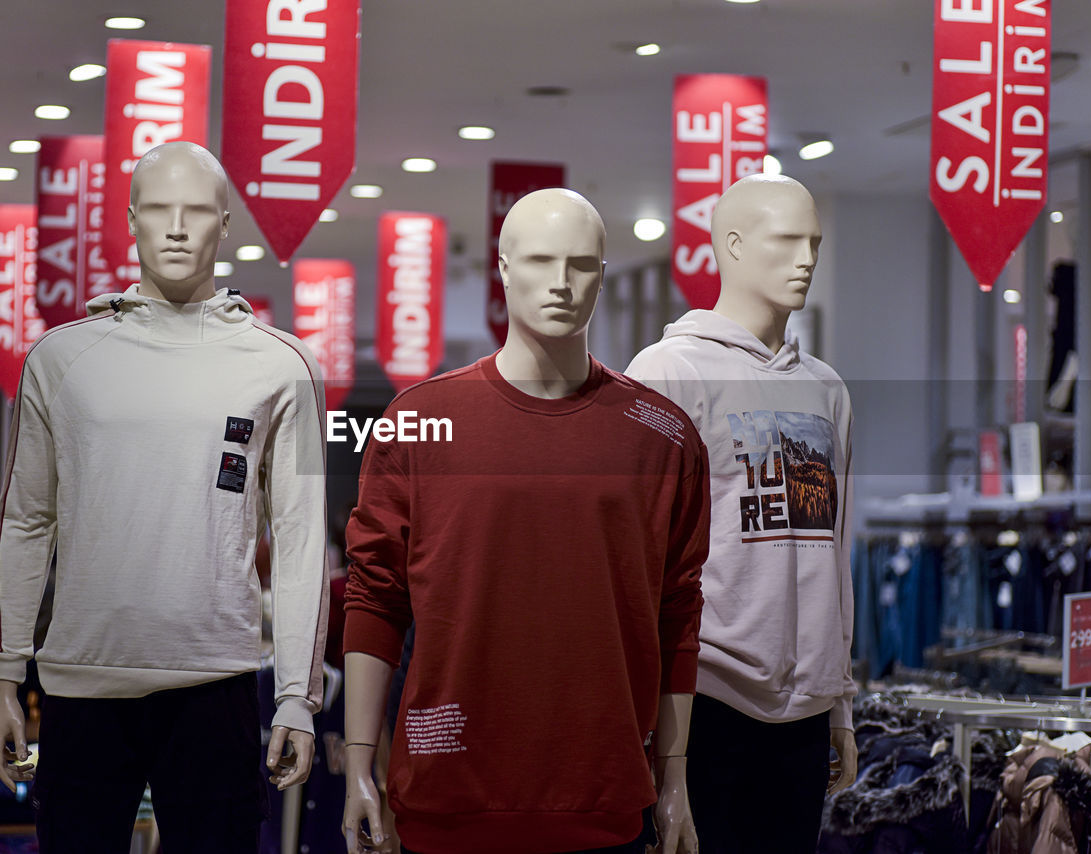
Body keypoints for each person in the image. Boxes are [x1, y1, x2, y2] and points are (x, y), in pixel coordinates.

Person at [342, 188, 709, 854]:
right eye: (540, 260)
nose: (562, 283)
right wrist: (359, 764)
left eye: (581, 264)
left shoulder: (661, 436)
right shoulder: (420, 420)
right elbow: (376, 596)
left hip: (603, 801)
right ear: (503, 268)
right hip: (445, 797)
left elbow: (678, 614)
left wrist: (674, 777)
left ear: (602, 274)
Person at [0, 141, 329, 852]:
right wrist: (4, 675)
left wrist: (297, 693)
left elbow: (299, 540)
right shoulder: (60, 358)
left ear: (225, 223)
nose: (178, 228)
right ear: (132, 219)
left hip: (216, 682)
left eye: (198, 211)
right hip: (81, 683)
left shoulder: (282, 363)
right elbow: (25, 522)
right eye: (161, 210)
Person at [627, 173, 858, 854]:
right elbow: (642, 560)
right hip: (707, 704)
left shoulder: (827, 389)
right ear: (730, 246)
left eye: (814, 241)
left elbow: (835, 550)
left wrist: (840, 700)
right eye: (787, 240)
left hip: (807, 712)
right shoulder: (668, 372)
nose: (807, 258)